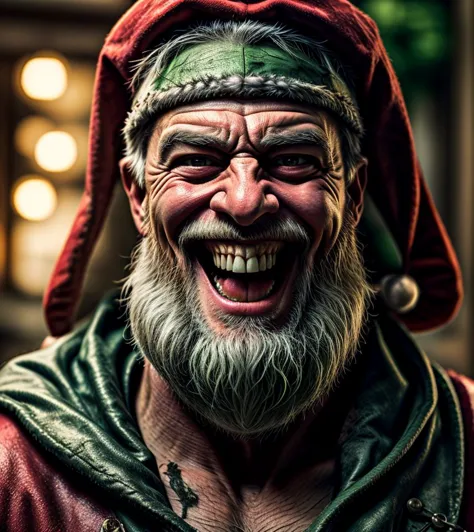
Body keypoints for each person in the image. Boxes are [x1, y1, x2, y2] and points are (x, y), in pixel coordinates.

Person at [0, 1, 472, 531]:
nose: (245, 202)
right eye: (197, 160)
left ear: (353, 194)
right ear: (137, 196)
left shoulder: (464, 448)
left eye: (293, 158)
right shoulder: (14, 464)